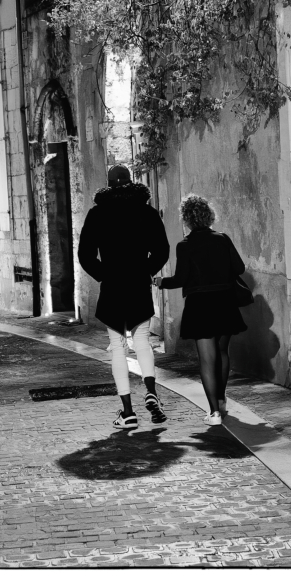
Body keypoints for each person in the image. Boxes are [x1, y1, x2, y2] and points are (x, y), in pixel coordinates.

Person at [78, 164, 170, 429]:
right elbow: (162, 250)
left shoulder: (97, 213)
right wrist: (145, 270)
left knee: (117, 347)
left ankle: (128, 412)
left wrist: (104, 274)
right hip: (138, 284)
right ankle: (152, 391)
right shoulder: (147, 212)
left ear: (108, 184)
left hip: (113, 286)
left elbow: (85, 255)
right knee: (142, 341)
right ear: (131, 182)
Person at [154, 194, 247, 426]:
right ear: (208, 215)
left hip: (200, 305)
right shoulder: (222, 239)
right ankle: (222, 400)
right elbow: (239, 267)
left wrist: (161, 282)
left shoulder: (185, 245)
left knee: (207, 359)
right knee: (223, 352)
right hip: (225, 301)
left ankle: (214, 412)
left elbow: (181, 278)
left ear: (186, 219)